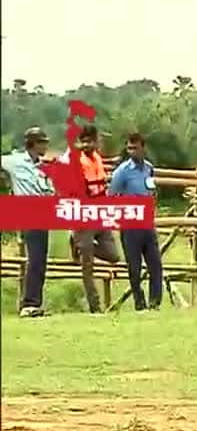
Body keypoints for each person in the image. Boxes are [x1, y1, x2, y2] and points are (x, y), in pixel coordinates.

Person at [1, 127, 54, 317]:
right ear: (34, 144)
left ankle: (33, 303)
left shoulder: (42, 166)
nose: (46, 146)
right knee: (36, 259)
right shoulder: (15, 161)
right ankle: (29, 304)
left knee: (40, 260)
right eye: (43, 142)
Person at [68, 125, 120, 313]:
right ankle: (95, 306)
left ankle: (77, 243)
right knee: (87, 266)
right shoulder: (76, 162)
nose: (88, 145)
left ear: (96, 142)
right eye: (84, 141)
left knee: (113, 255)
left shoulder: (96, 158)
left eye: (91, 141)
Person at [108, 132, 163, 311]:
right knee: (134, 266)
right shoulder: (122, 171)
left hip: (147, 222)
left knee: (155, 263)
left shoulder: (148, 168)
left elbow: (151, 188)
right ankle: (139, 303)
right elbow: (111, 195)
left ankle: (155, 303)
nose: (132, 152)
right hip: (130, 224)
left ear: (143, 148)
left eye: (135, 148)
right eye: (129, 148)